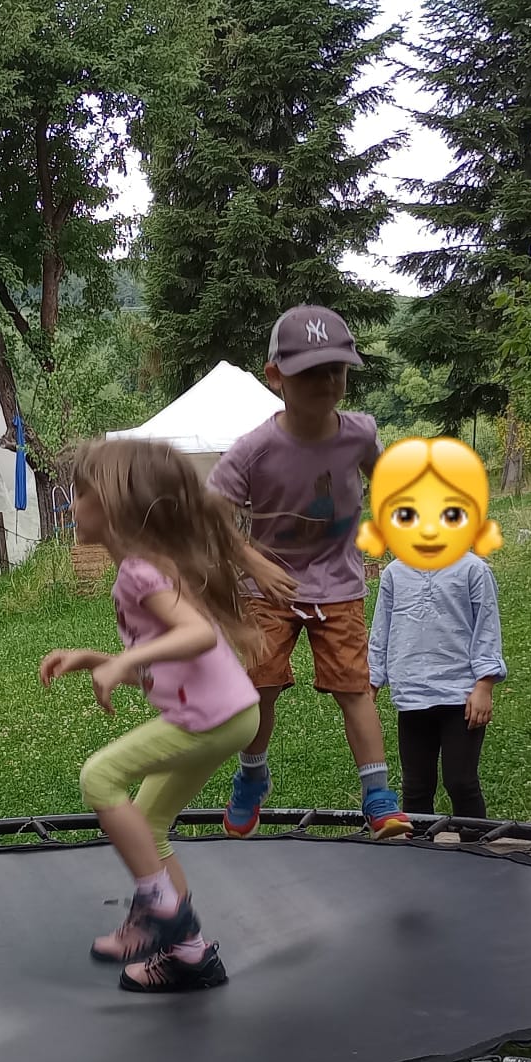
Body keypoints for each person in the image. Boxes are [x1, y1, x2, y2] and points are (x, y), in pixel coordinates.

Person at [42, 439, 262, 992]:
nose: (72, 505)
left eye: (80, 494)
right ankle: (189, 954)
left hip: (210, 717)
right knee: (149, 825)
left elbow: (196, 634)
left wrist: (123, 662)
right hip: (230, 712)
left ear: (113, 506)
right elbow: (168, 662)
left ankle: (159, 909)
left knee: (99, 777)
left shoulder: (140, 572)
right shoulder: (144, 571)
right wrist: (97, 660)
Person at [206, 304, 407, 839]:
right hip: (267, 588)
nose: (326, 382)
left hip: (338, 585)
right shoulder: (254, 449)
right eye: (310, 372)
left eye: (336, 370)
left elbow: (387, 481)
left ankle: (379, 797)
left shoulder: (359, 433)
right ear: (276, 377)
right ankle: (252, 777)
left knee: (355, 689)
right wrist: (252, 561)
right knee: (260, 688)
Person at [370, 544, 507, 821]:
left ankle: (475, 844)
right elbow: (380, 631)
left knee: (461, 782)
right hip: (412, 695)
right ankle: (419, 847)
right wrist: (371, 683)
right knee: (416, 786)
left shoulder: (473, 569)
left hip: (461, 697)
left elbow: (487, 628)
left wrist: (484, 684)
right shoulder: (394, 573)